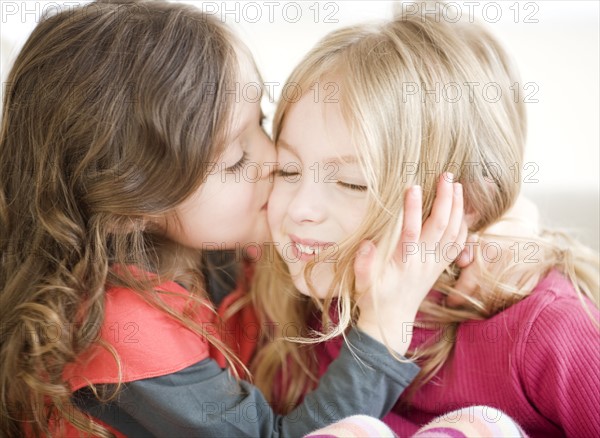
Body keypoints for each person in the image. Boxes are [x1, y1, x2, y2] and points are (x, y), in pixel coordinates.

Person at [0, 1, 469, 436]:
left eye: (261, 123)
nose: (273, 159)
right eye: (236, 160)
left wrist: (484, 220)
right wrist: (383, 329)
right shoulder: (118, 333)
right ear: (128, 209)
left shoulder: (214, 238)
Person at [250, 7, 600, 438]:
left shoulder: (545, 327)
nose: (300, 208)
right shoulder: (285, 296)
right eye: (287, 170)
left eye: (352, 183)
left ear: (463, 202)